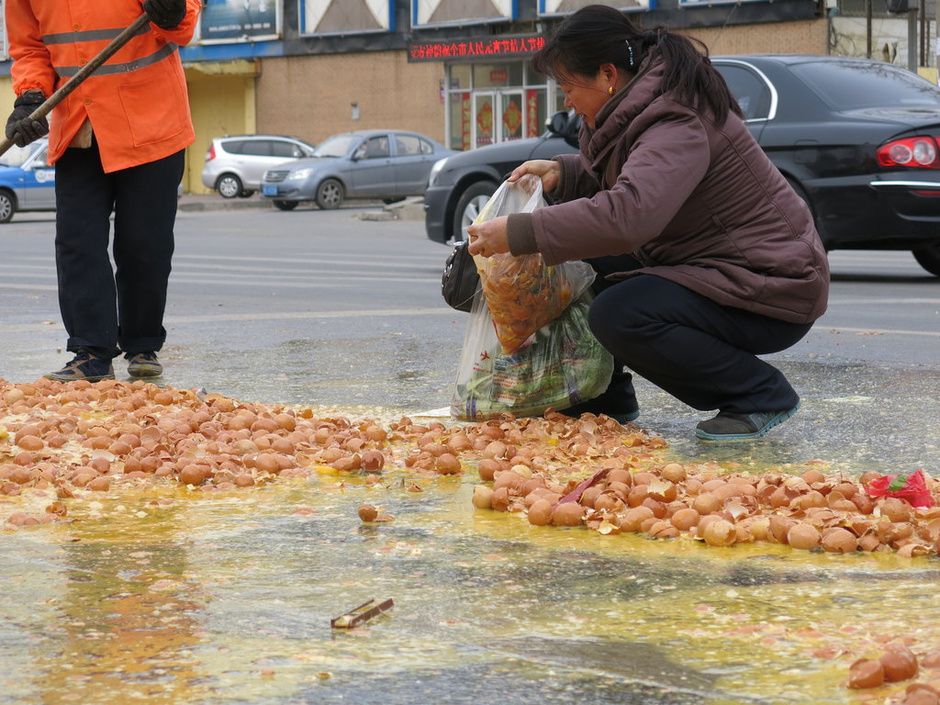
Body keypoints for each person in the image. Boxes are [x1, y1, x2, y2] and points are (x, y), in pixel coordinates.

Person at [466, 4, 830, 441]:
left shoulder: (676, 118)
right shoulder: (639, 111)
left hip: (770, 282)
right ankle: (603, 395)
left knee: (621, 312)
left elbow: (629, 215)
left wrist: (517, 233)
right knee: (581, 269)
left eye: (567, 85)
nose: (565, 99)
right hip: (711, 263)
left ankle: (758, 393)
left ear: (607, 75)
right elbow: (635, 178)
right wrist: (565, 173)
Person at [4, 0, 201, 382]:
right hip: (80, 125)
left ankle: (142, 344)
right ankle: (90, 351)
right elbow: (29, 47)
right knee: (77, 242)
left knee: (144, 244)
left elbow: (185, 27)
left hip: (151, 121)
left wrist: (174, 11)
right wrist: (31, 97)